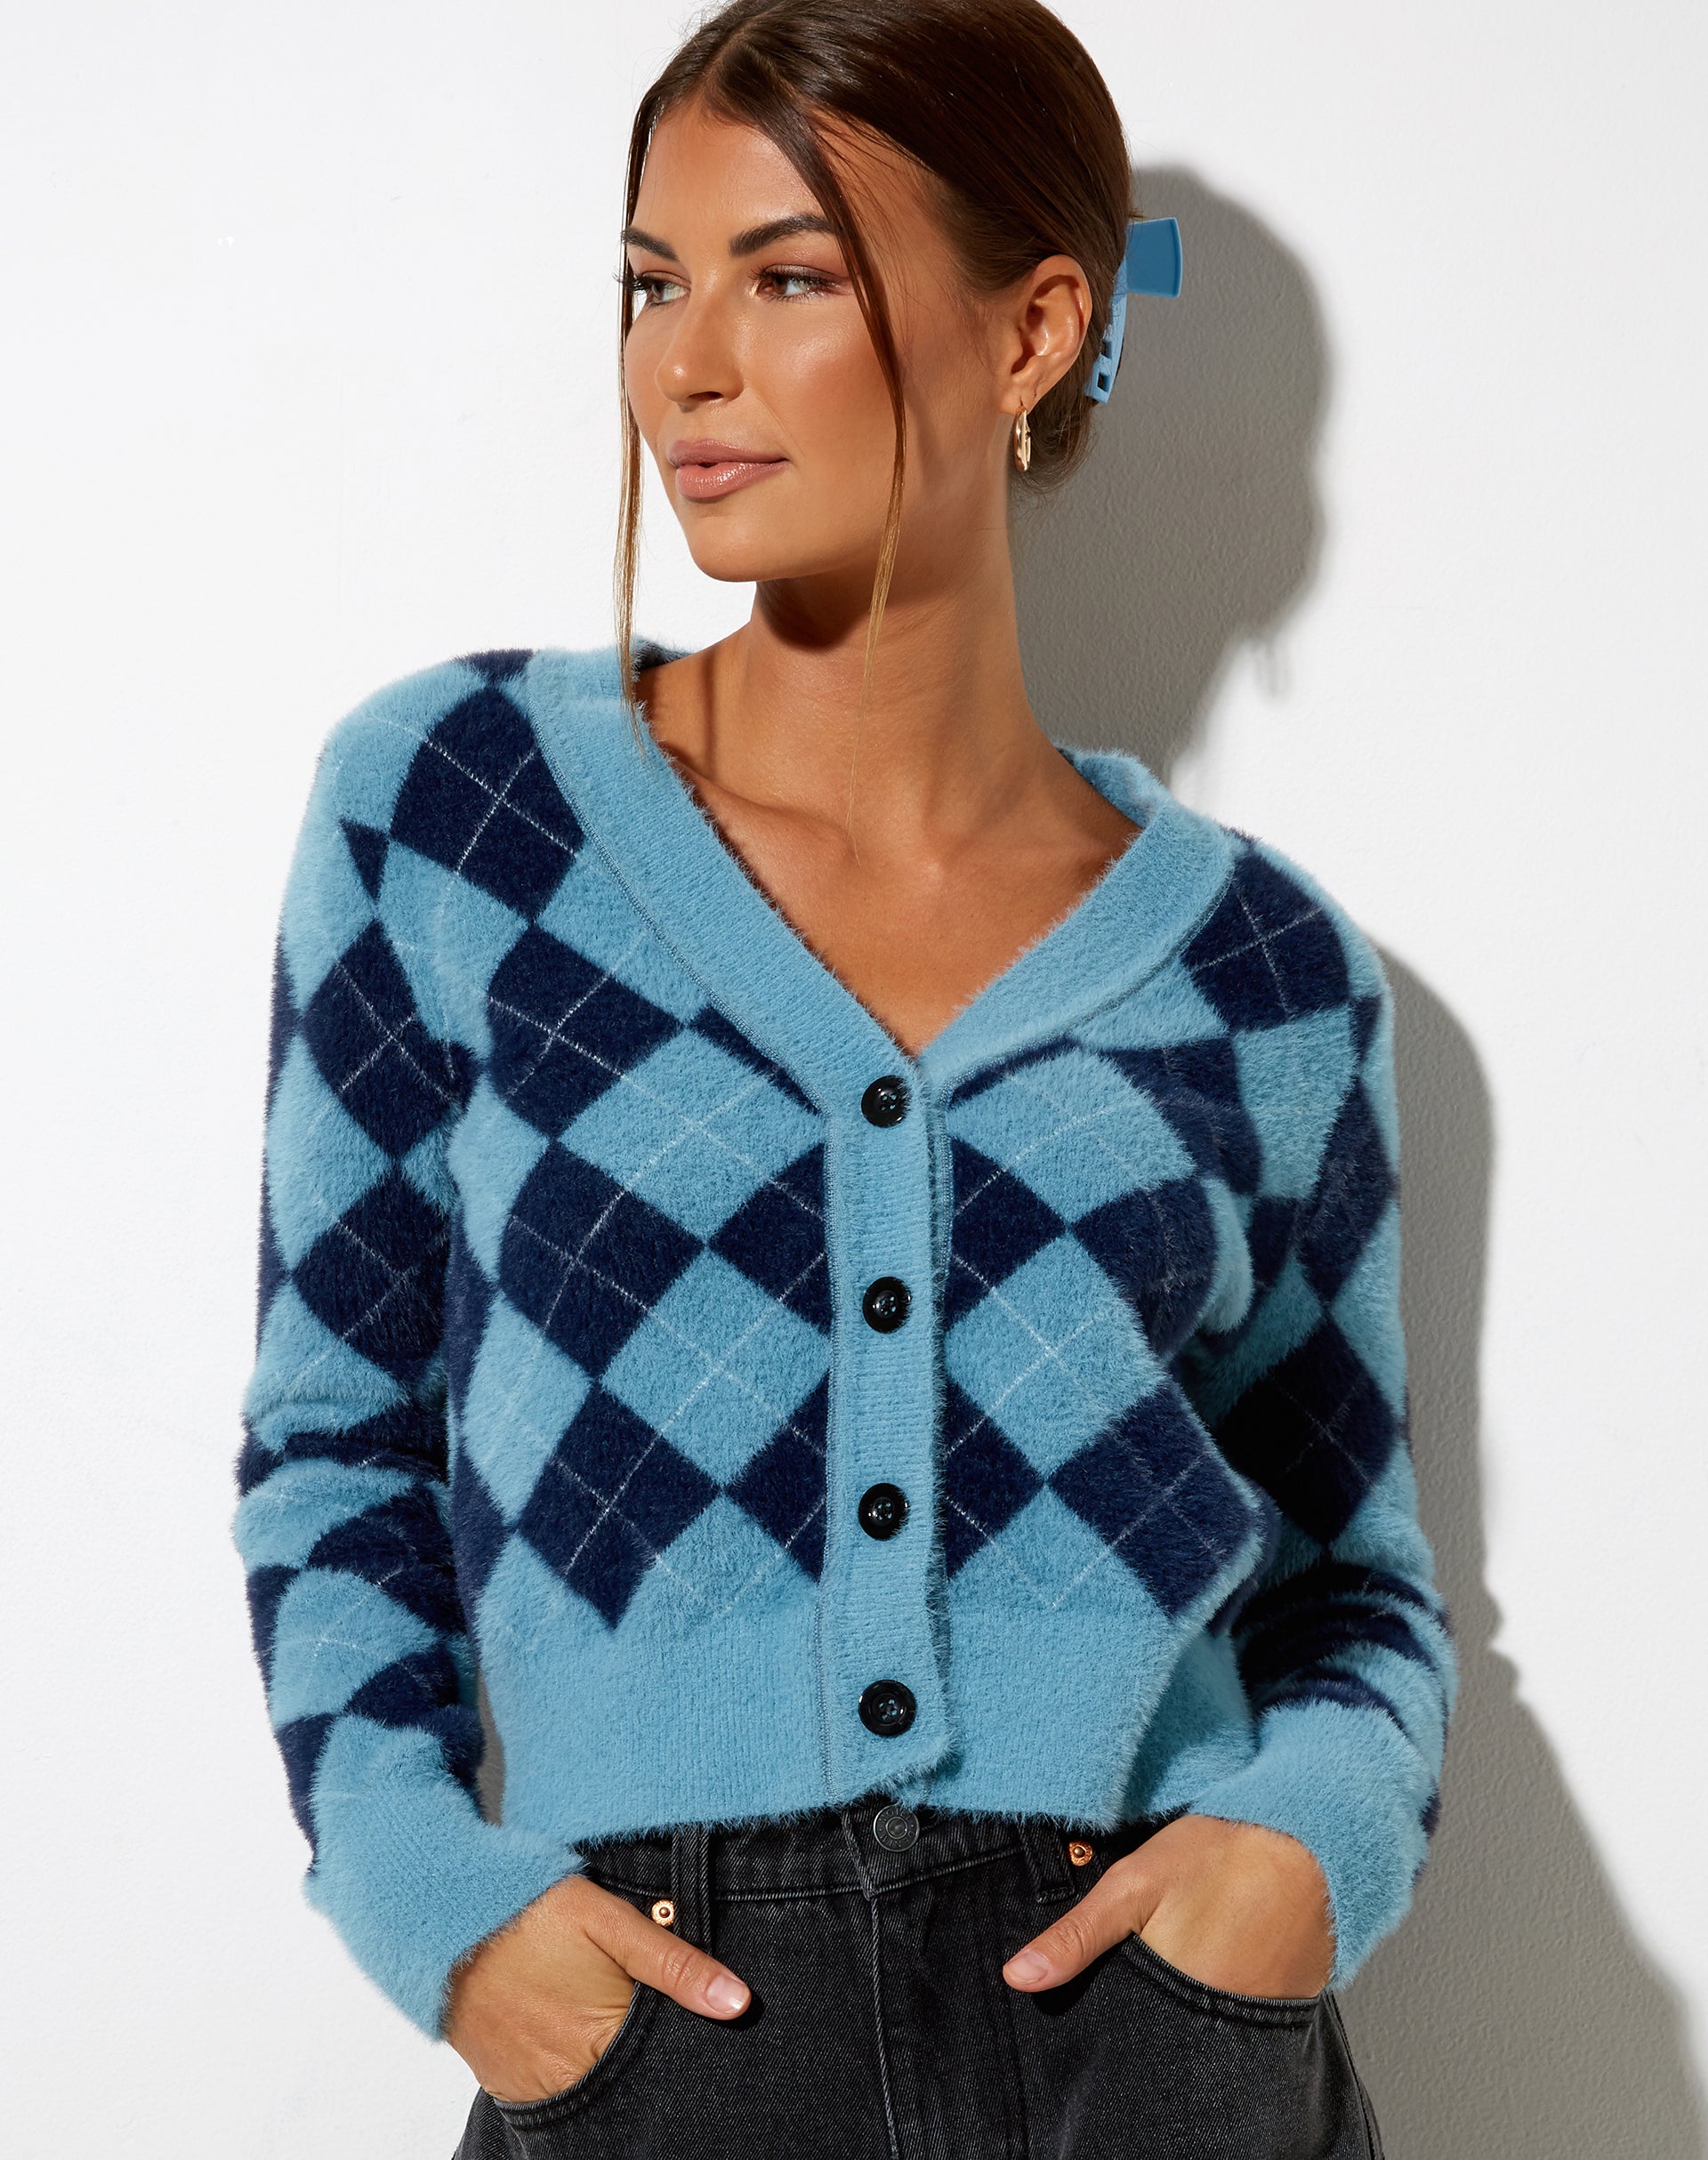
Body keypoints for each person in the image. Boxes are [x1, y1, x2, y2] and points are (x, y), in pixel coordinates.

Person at [232, 3, 1456, 2152]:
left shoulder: (1263, 971)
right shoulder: (460, 815)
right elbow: (335, 1440)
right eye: (652, 282)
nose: (683, 366)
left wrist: (1298, 1860)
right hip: (660, 2016)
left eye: (787, 276)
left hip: (1155, 2025)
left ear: (1031, 331)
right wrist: (436, 1903)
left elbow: (1350, 1566)